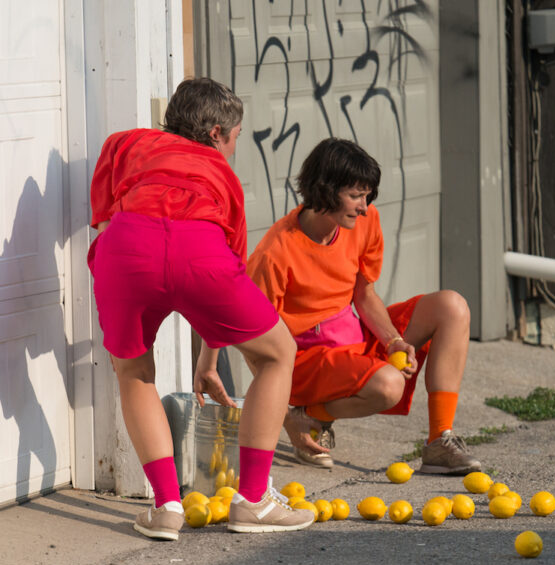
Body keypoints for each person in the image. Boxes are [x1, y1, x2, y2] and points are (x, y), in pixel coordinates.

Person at [88, 77, 314, 540]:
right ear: (216, 133)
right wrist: (211, 355)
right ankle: (253, 501)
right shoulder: (223, 175)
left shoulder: (124, 143)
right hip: (200, 252)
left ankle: (167, 508)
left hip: (127, 249)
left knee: (135, 372)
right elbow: (228, 264)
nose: (234, 148)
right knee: (277, 354)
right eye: (235, 137)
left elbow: (105, 214)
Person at [247, 138, 481, 474]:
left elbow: (364, 295)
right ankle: (308, 414)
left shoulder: (365, 223)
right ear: (326, 190)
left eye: (367, 196)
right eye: (356, 196)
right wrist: (281, 410)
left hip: (353, 338)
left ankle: (439, 441)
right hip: (306, 362)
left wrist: (392, 341)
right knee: (389, 386)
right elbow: (253, 338)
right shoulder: (276, 251)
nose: (364, 206)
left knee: (452, 306)